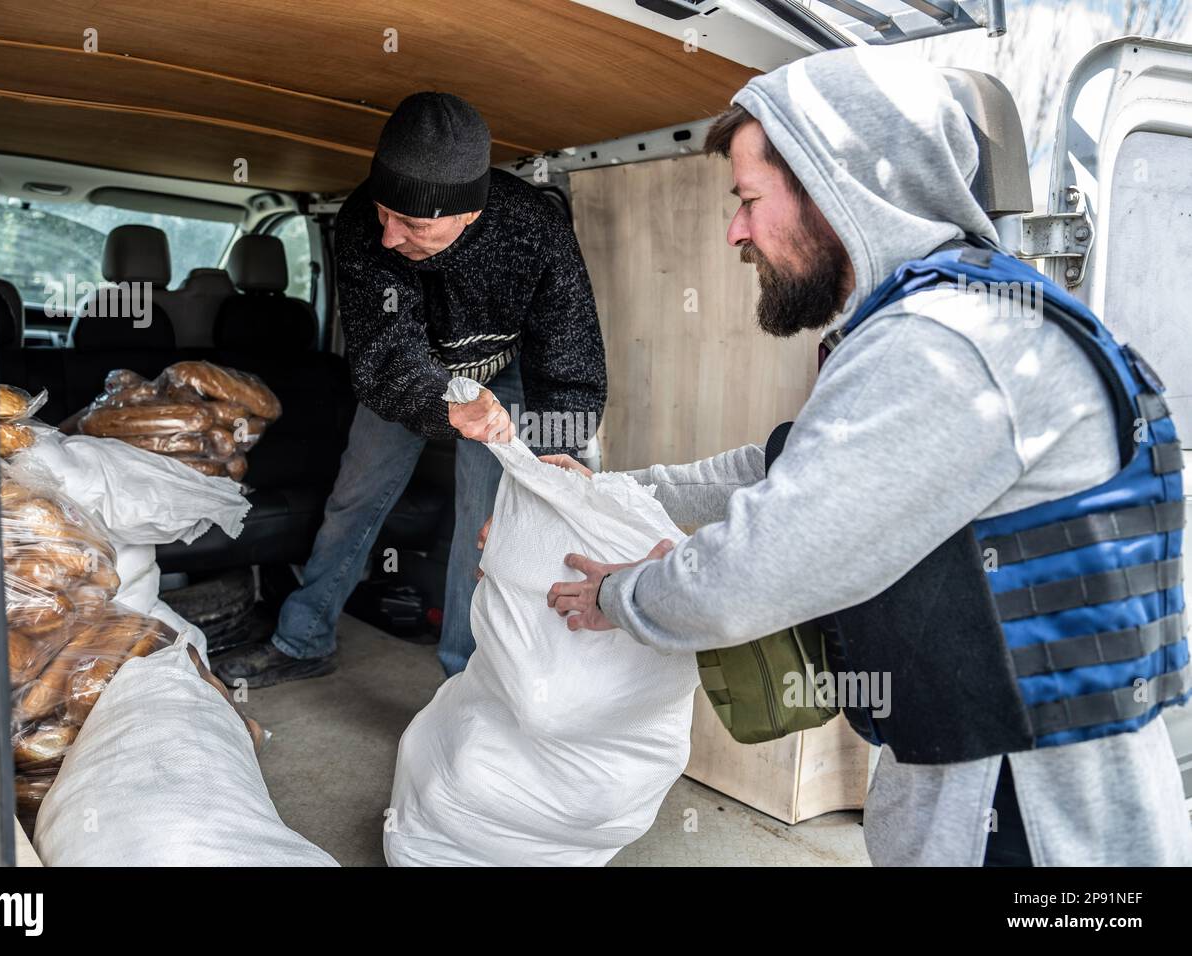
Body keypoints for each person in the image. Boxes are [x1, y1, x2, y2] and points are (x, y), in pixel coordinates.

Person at [535, 48, 1191, 866]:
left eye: (747, 199)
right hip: (1012, 788)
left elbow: (753, 573)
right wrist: (608, 487)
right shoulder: (972, 313)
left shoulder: (947, 345)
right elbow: (782, 470)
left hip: (1029, 822)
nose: (737, 231)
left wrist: (620, 596)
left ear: (836, 187)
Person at [215, 92, 605, 686]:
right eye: (383, 212)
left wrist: (559, 455)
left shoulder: (535, 231)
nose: (390, 236)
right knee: (353, 498)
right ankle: (303, 640)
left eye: (414, 224)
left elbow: (568, 357)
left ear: (468, 214)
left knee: (485, 522)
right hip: (409, 370)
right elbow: (382, 353)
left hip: (508, 371)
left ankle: (463, 684)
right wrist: (448, 400)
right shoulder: (360, 226)